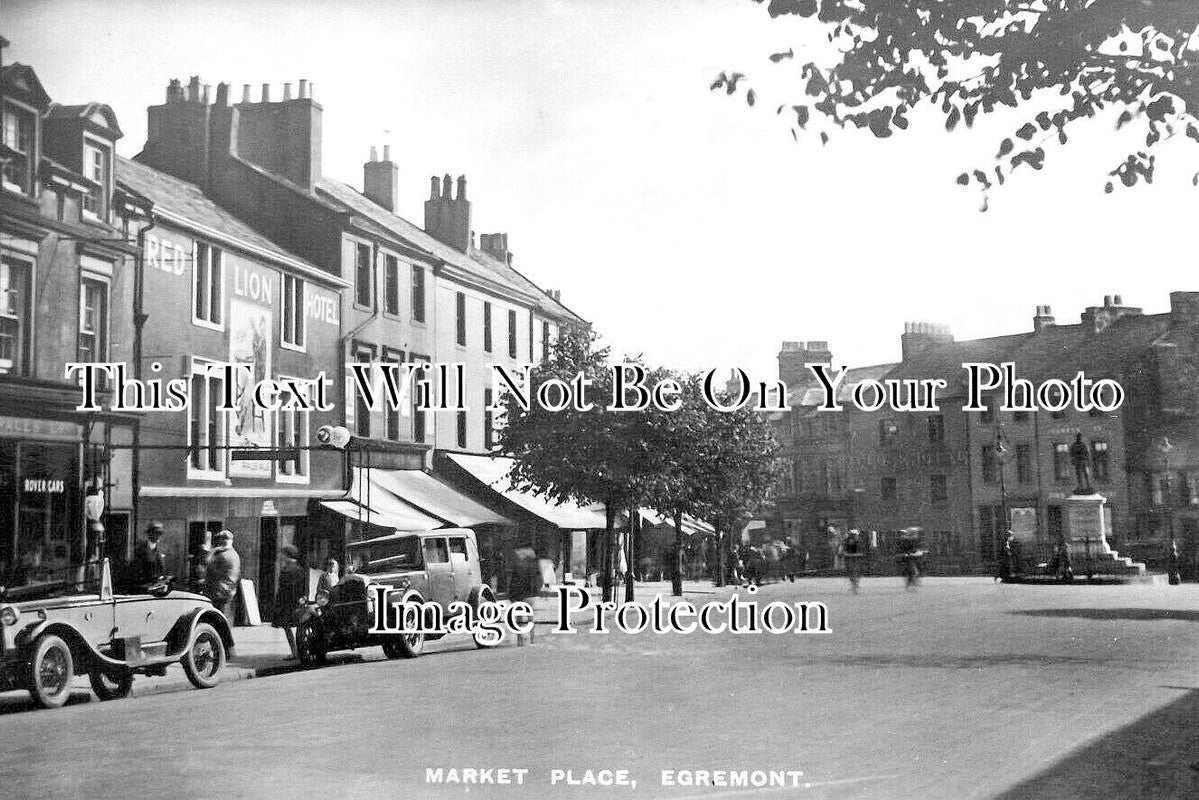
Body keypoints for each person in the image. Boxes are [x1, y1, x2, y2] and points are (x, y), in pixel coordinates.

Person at [274, 545, 307, 658]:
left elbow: (295, 587)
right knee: (291, 627)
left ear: (288, 555)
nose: (281, 556)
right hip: (290, 602)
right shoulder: (293, 568)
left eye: (283, 554)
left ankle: (295, 651)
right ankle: (296, 651)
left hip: (289, 602)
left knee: (289, 627)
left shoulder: (292, 569)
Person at [507, 547, 542, 646]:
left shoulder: (517, 565)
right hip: (529, 594)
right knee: (530, 617)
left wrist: (511, 595)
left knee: (519, 617)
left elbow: (512, 581)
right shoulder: (534, 565)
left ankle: (520, 639)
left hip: (518, 594)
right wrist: (537, 590)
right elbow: (538, 579)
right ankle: (532, 638)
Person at [206, 530, 241, 622]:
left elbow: (208, 566)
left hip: (220, 593)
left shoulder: (226, 555)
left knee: (220, 621)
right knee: (222, 620)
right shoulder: (230, 554)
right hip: (224, 591)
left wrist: (211, 552)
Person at [131, 522, 168, 591]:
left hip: (158, 587)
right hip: (145, 588)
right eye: (156, 533)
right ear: (149, 534)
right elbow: (137, 572)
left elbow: (162, 570)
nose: (158, 536)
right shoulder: (140, 550)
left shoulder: (160, 550)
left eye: (160, 534)